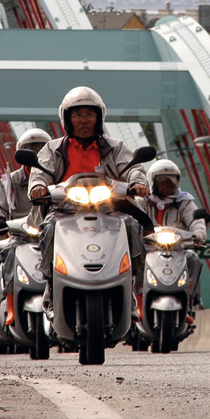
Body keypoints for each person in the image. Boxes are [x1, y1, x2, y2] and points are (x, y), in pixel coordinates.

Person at [27, 86, 149, 314]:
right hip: (65, 209)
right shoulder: (52, 149)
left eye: (89, 114)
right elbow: (39, 172)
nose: (84, 120)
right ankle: (51, 286)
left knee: (132, 225)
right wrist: (37, 187)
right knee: (48, 228)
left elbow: (132, 167)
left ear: (99, 117)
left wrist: (138, 182)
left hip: (109, 208)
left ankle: (131, 286)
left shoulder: (115, 147)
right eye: (77, 114)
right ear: (67, 118)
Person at [0, 128, 51, 326]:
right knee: (10, 252)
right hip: (21, 235)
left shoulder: (56, 176)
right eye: (30, 149)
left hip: (52, 233)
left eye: (40, 148)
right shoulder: (11, 181)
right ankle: (11, 304)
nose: (35, 153)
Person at [136, 159, 208, 318]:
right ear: (153, 182)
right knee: (136, 261)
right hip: (148, 249)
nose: (166, 185)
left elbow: (195, 220)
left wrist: (199, 234)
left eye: (170, 181)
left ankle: (188, 302)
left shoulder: (185, 202)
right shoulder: (143, 201)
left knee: (194, 259)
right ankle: (137, 305)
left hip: (178, 250)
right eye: (162, 181)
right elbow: (133, 218)